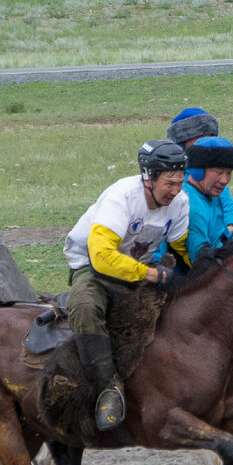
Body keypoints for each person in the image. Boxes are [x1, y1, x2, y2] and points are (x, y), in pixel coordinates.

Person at [62, 140, 191, 431]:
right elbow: (102, 257)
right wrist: (152, 275)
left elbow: (182, 247)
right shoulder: (121, 197)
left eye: (180, 182)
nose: (175, 190)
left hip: (141, 265)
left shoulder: (180, 203)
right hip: (93, 268)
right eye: (169, 183)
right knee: (84, 307)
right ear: (148, 177)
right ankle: (107, 388)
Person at [166, 108, 233, 239]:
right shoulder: (174, 179)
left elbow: (230, 206)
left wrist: (230, 228)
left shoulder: (214, 177)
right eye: (199, 139)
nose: (206, 145)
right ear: (182, 143)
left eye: (210, 138)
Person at [181, 136, 233, 260]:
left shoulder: (210, 195)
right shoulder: (192, 206)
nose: (225, 180)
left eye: (229, 173)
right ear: (198, 171)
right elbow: (201, 259)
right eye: (219, 173)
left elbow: (223, 236)